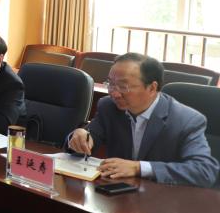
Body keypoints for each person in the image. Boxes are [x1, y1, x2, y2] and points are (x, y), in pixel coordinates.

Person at [66, 53, 218, 188]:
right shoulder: (109, 106)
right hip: (116, 195)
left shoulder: (186, 120)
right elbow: (88, 141)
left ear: (152, 88)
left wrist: (139, 168)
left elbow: (204, 171)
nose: (114, 93)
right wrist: (78, 138)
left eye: (123, 86)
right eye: (111, 84)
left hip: (163, 199)